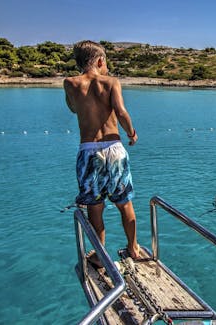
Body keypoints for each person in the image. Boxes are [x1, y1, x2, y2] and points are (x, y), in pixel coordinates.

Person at [64, 40, 140, 263]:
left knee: (95, 208)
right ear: (100, 61)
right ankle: (133, 248)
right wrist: (132, 133)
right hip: (114, 147)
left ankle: (99, 255)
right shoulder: (111, 82)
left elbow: (72, 108)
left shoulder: (70, 83)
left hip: (89, 151)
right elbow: (121, 112)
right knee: (124, 203)